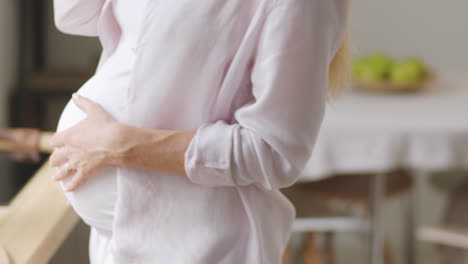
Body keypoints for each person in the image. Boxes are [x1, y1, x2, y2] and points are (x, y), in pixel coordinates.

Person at [46, 0, 350, 263]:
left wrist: (122, 145)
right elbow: (75, 15)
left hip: (201, 246)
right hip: (116, 242)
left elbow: (274, 152)